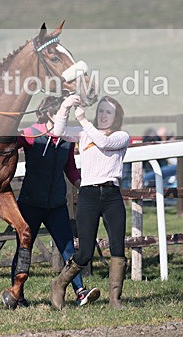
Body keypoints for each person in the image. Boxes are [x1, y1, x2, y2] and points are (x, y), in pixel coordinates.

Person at [11, 96, 100, 308]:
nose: (66, 116)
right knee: (24, 250)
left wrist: (85, 186)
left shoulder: (67, 139)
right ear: (50, 113)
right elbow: (8, 146)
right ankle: (17, 294)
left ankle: (80, 291)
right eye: (63, 111)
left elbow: (69, 168)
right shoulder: (31, 133)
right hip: (30, 204)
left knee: (69, 249)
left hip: (57, 204)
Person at [50, 95, 130, 310]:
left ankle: (115, 299)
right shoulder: (84, 134)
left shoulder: (122, 136)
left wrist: (84, 121)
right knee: (85, 252)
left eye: (108, 112)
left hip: (112, 195)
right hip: (88, 195)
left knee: (117, 248)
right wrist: (66, 106)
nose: (103, 115)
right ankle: (59, 285)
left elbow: (103, 142)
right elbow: (57, 132)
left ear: (116, 116)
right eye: (101, 111)